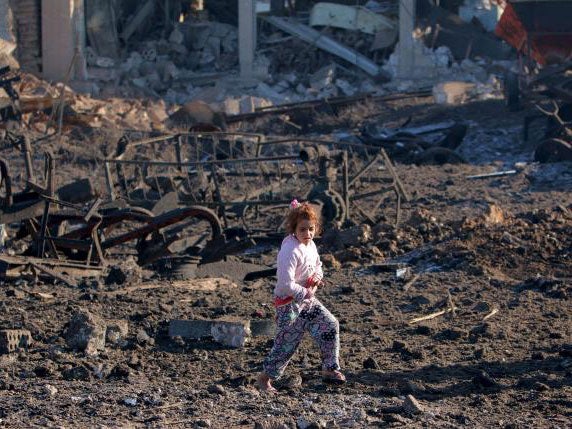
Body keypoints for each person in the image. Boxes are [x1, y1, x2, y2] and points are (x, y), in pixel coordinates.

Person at [257, 199, 345, 392]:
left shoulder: (310, 245)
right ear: (293, 229)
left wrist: (316, 277)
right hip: (289, 305)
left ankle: (330, 369)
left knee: (330, 324)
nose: (308, 234)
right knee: (286, 345)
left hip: (307, 301)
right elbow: (285, 284)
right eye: (303, 229)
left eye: (311, 229)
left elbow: (318, 265)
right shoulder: (289, 251)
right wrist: (306, 292)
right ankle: (264, 380)